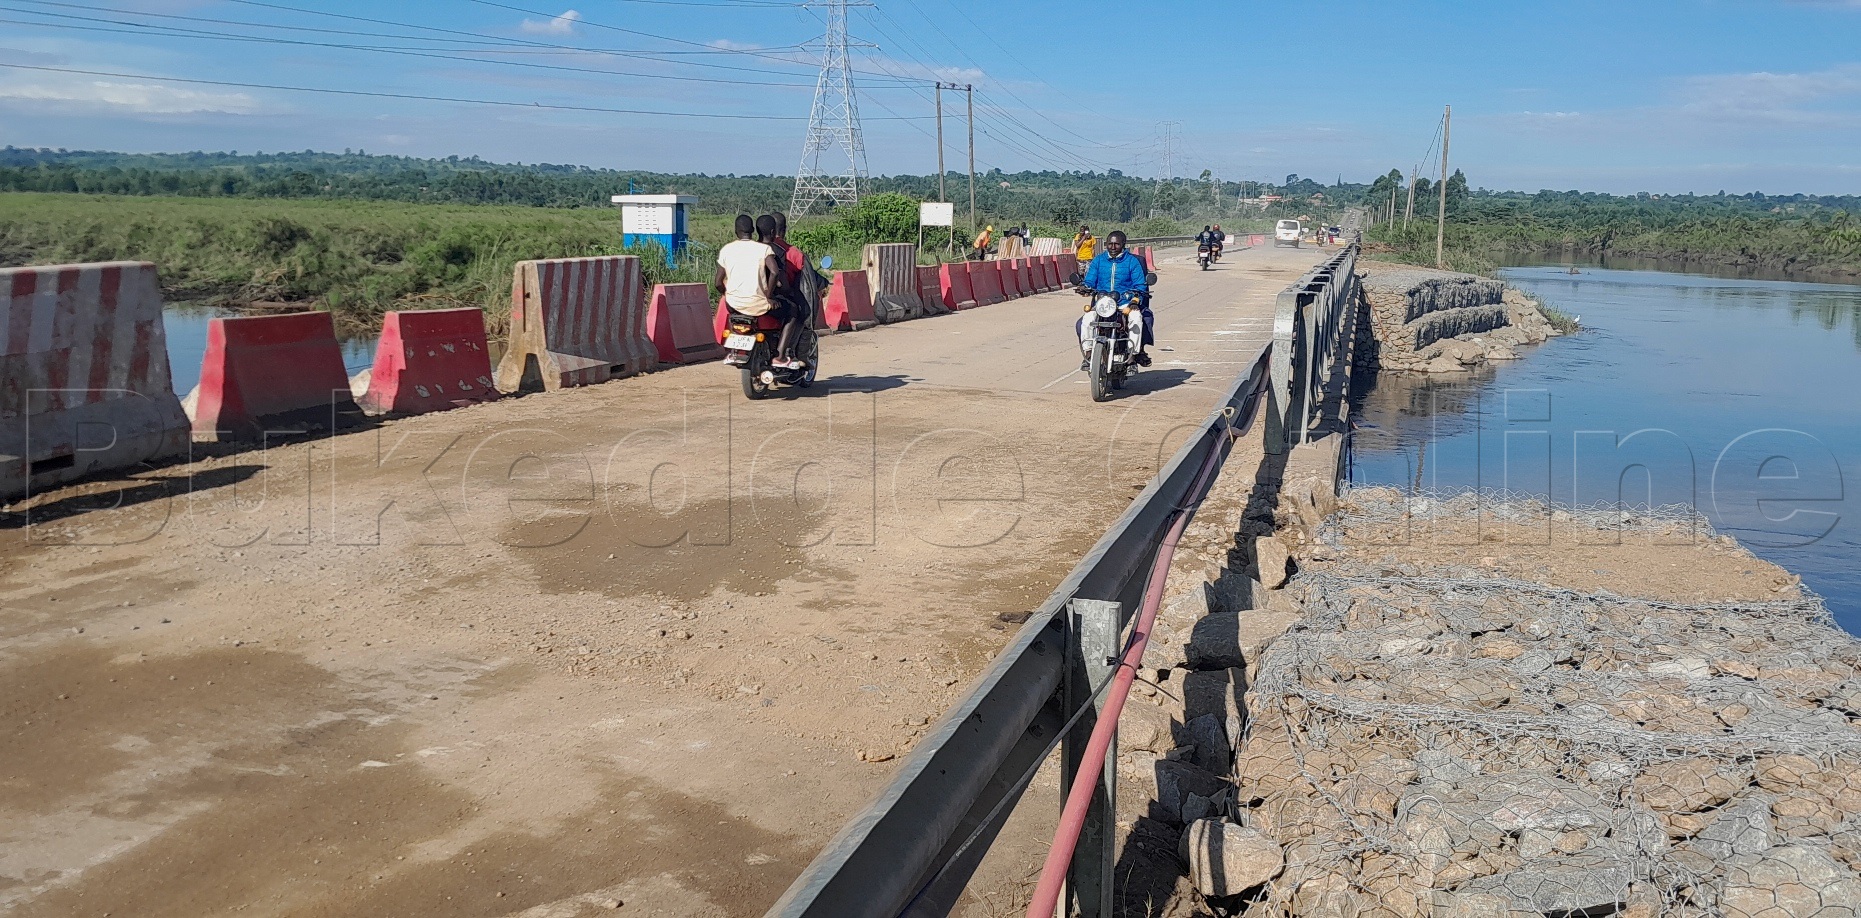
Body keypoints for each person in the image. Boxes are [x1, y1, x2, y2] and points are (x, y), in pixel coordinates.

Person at [715, 214, 790, 368]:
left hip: (733, 304)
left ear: (736, 231)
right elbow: (775, 272)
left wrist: (726, 293)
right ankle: (780, 355)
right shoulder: (763, 249)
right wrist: (769, 297)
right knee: (793, 311)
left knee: (734, 315)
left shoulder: (726, 250)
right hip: (758, 305)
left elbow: (717, 282)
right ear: (752, 231)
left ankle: (734, 350)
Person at [1075, 229, 1152, 370]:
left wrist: (1135, 301)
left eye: (1116, 244)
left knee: (1136, 318)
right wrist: (1084, 287)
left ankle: (1132, 356)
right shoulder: (1098, 260)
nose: (1113, 247)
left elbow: (1140, 284)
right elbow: (1090, 280)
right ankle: (1089, 354)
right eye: (1110, 244)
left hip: (1125, 304)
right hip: (1103, 304)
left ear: (1123, 244)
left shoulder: (1132, 262)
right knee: (1085, 321)